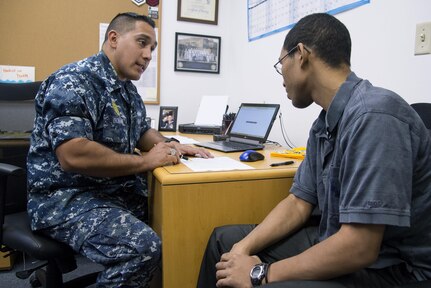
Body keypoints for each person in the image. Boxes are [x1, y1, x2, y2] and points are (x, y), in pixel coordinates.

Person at [197, 13, 431, 288]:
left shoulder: (376, 116)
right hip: (339, 241)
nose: (281, 76)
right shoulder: (324, 123)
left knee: (270, 282)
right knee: (225, 244)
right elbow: (298, 203)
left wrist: (260, 273)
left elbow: (360, 246)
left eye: (280, 64)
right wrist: (242, 249)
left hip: (394, 269)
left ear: (301, 55)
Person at [27, 12, 211, 288]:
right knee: (143, 248)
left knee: (180, 225)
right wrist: (144, 162)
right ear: (113, 39)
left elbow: (141, 133)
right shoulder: (74, 80)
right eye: (142, 42)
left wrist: (171, 145)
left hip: (110, 192)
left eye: (152, 48)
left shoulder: (125, 89)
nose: (148, 55)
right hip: (64, 199)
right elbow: (73, 154)